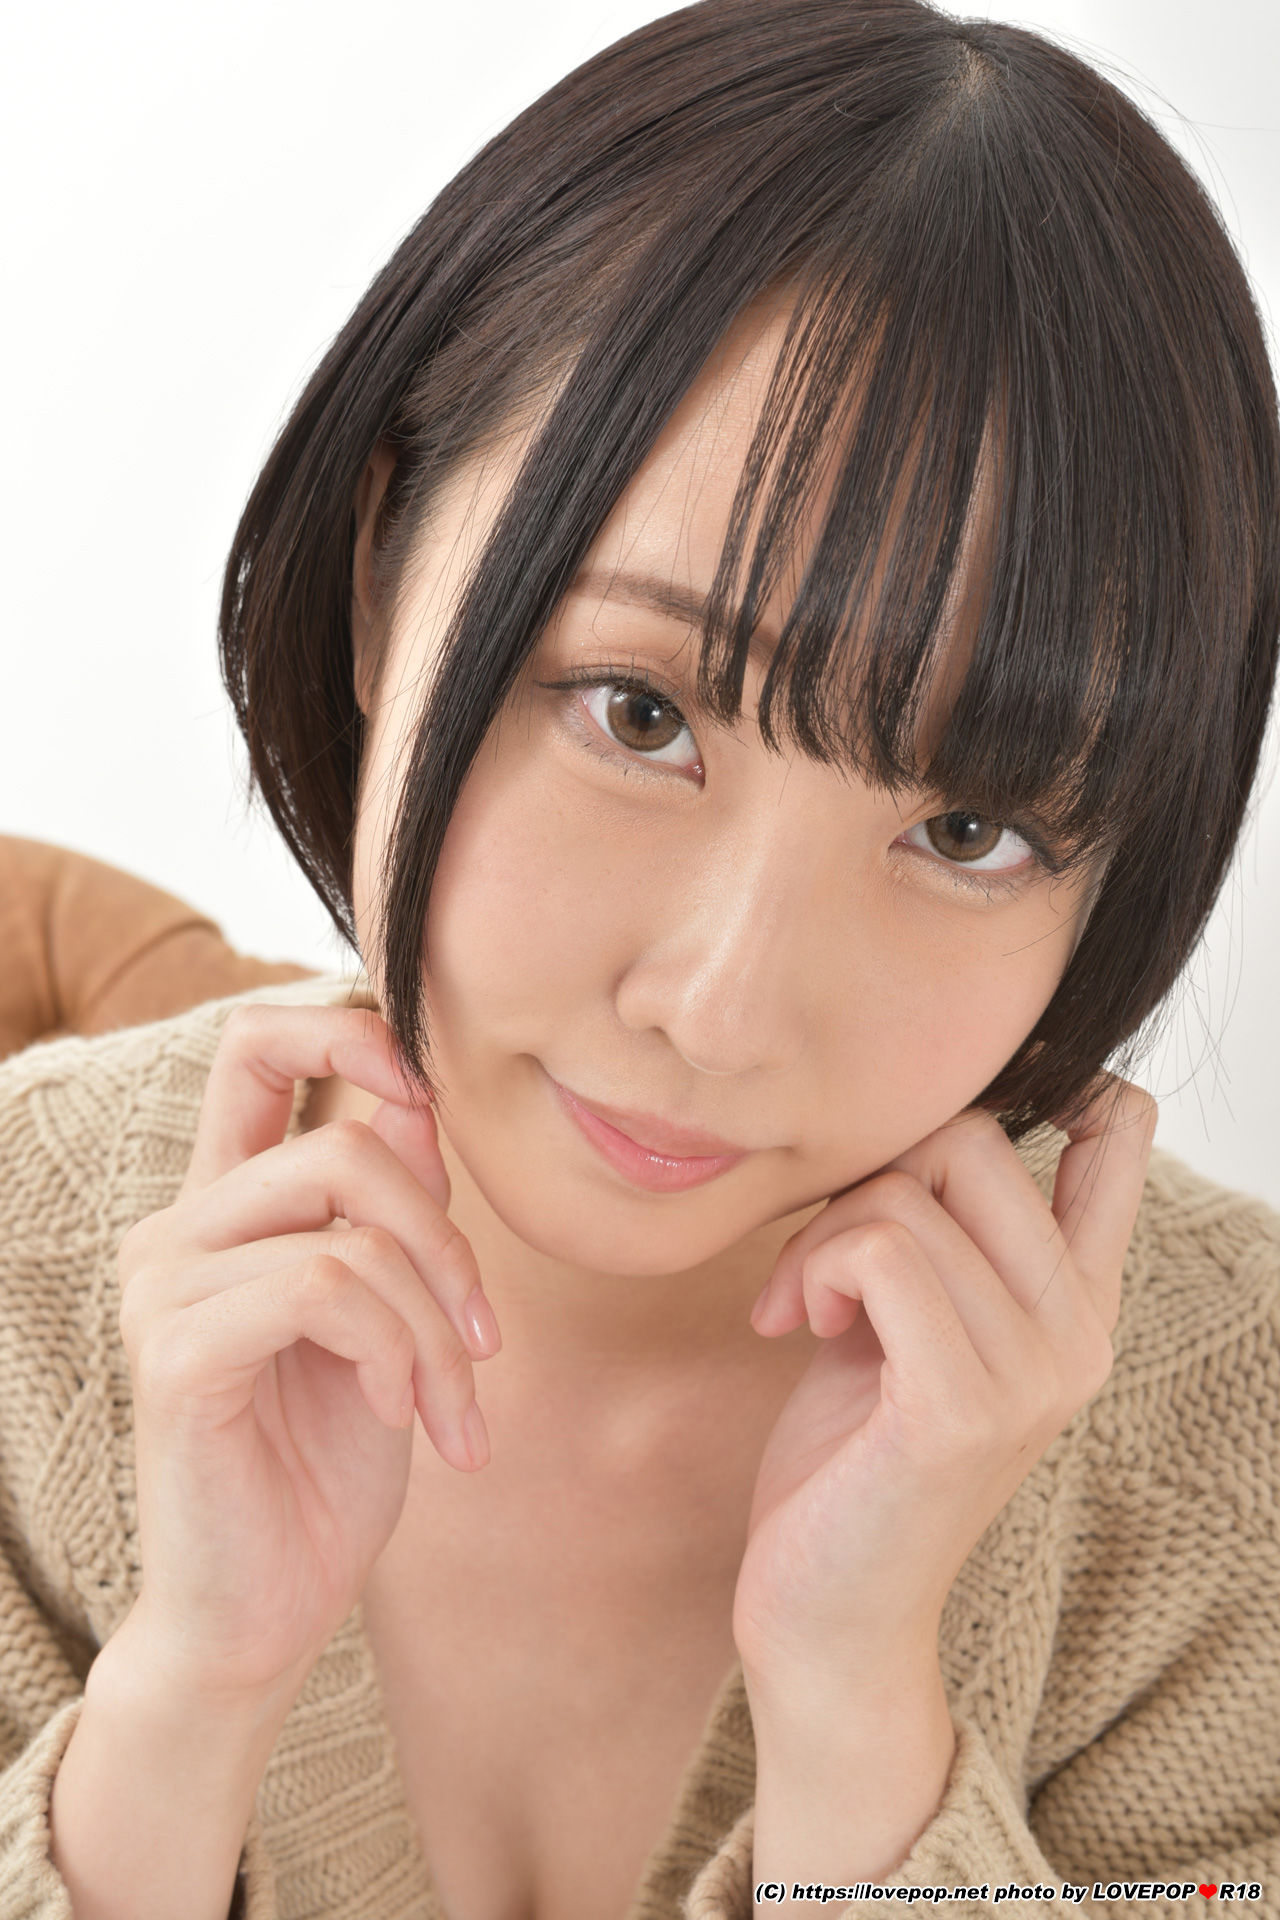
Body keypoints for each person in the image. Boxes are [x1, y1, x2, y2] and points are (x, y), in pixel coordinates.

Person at [1, 1, 1277, 1915]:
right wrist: (186, 1704)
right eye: (639, 713)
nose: (722, 1010)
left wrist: (860, 1718)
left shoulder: (1235, 1461)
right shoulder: (22, 1284)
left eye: (967, 832)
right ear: (384, 581)